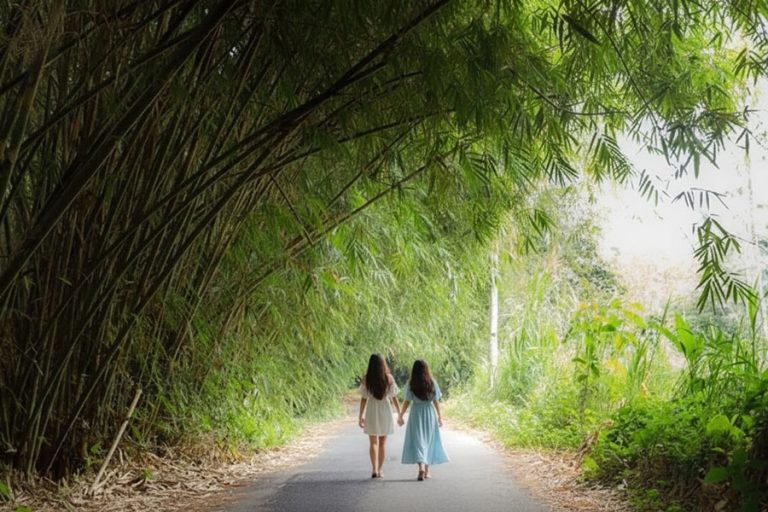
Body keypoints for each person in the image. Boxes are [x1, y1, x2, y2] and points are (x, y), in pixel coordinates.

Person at [398, 359, 449, 480]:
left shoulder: (411, 383)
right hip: (429, 413)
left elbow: (406, 401)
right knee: (428, 440)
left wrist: (401, 414)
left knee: (418, 440)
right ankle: (427, 470)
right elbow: (436, 401)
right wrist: (440, 416)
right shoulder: (432, 382)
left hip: (416, 413)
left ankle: (420, 466)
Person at [358, 353, 401, 478]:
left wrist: (360, 416)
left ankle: (374, 469)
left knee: (373, 443)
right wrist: (399, 414)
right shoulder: (389, 378)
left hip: (372, 409)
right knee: (382, 443)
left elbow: (364, 399)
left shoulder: (366, 379)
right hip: (385, 410)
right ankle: (381, 469)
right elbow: (394, 398)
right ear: (383, 364)